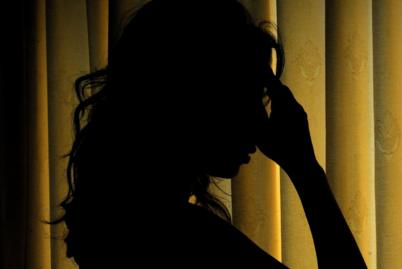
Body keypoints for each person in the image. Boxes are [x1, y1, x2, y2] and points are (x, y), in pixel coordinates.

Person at [56, 0, 367, 268]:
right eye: (248, 96)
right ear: (197, 96)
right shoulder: (181, 238)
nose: (260, 119)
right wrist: (306, 171)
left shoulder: (118, 224)